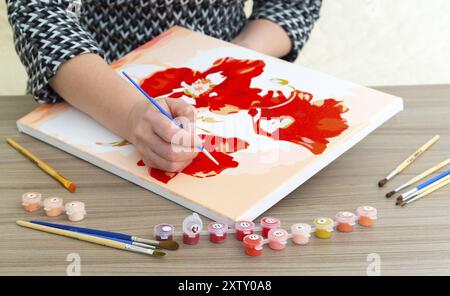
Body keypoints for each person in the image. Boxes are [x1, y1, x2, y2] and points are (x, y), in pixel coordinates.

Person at [7, 0, 322, 172]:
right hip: (97, 89)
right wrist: (130, 113)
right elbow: (36, 9)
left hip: (226, 77)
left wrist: (236, 56)